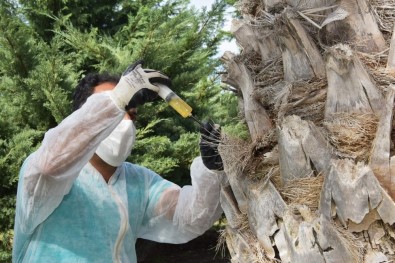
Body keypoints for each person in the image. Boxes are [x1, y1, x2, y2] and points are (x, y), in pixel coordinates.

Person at [12, 61, 225, 262]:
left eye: (130, 114)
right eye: (114, 111)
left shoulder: (139, 182)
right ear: (82, 116)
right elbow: (47, 168)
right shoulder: (52, 170)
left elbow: (188, 217)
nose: (124, 122)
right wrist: (119, 96)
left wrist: (211, 171)